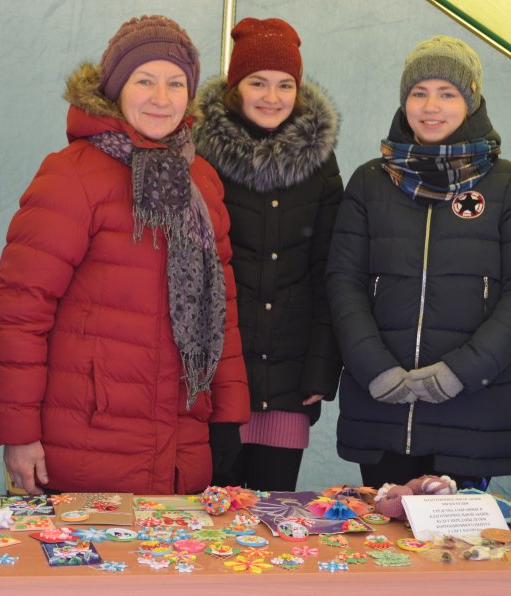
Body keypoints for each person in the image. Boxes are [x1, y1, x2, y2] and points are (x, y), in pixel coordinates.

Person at [0, 15, 250, 496]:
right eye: (144, 80)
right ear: (115, 88)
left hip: (182, 447)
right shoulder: (71, 175)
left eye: (175, 83)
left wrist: (229, 417)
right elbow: (21, 311)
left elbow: (222, 309)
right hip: (88, 443)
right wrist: (18, 434)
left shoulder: (202, 181)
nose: (161, 97)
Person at [326, 35, 511, 489]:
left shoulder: (510, 184)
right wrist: (375, 370)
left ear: (471, 100)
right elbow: (343, 281)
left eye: (447, 93)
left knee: (455, 535)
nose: (431, 107)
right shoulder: (370, 181)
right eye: (419, 92)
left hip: (470, 412)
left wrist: (458, 374)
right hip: (383, 412)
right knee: (385, 532)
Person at [193, 17, 343, 491]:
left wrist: (321, 368)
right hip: (215, 382)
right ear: (235, 87)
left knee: (273, 520)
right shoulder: (199, 157)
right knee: (211, 519)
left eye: (285, 84)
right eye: (257, 82)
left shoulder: (320, 163)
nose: (272, 97)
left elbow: (330, 270)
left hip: (289, 384)